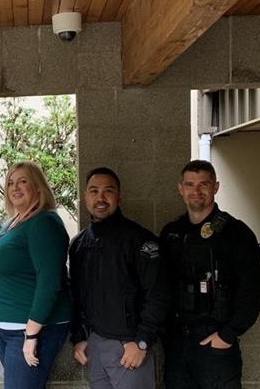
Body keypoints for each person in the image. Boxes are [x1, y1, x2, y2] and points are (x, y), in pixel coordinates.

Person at [160, 160, 260, 389]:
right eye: (189, 184)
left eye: (203, 184)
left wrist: (228, 335)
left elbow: (251, 291)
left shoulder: (237, 233)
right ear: (181, 189)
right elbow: (160, 286)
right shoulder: (171, 233)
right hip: (177, 343)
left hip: (216, 343)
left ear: (215, 187)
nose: (196, 191)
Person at [69, 167, 168, 389]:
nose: (100, 198)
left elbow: (158, 295)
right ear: (85, 196)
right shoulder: (79, 245)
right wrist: (79, 337)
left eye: (108, 191)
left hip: (130, 347)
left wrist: (142, 342)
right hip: (95, 346)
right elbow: (77, 297)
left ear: (119, 195)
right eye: (93, 191)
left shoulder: (140, 241)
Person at [0, 161, 73, 388]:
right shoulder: (15, 221)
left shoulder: (45, 223)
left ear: (39, 188)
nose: (15, 187)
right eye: (11, 182)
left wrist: (31, 334)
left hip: (27, 330)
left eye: (23, 181)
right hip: (6, 328)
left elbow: (49, 282)